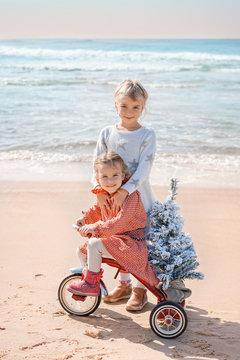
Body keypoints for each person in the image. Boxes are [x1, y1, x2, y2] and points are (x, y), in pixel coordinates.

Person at [91, 79, 156, 310]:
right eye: (124, 106)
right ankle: (124, 283)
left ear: (143, 107)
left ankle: (140, 290)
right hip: (109, 196)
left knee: (137, 242)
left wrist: (125, 190)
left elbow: (144, 169)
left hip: (138, 195)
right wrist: (99, 189)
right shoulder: (107, 132)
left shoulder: (147, 134)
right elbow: (97, 162)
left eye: (135, 107)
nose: (130, 112)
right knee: (116, 239)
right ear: (115, 105)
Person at [67, 152, 159, 308]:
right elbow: (96, 210)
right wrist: (85, 220)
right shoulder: (105, 194)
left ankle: (90, 284)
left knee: (94, 244)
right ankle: (89, 279)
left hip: (131, 245)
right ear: (98, 179)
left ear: (123, 175)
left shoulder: (131, 197)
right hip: (115, 240)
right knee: (81, 251)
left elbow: (119, 223)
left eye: (115, 175)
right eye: (105, 177)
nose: (110, 181)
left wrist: (94, 227)